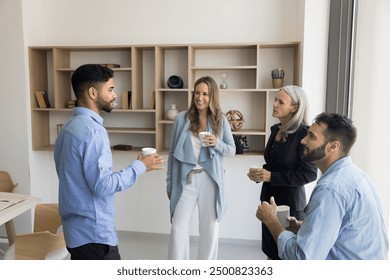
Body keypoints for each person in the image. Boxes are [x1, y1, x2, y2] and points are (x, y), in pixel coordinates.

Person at [54, 64, 165, 260]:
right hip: (94, 235)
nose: (115, 95)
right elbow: (103, 186)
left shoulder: (67, 128)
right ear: (93, 92)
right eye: (111, 89)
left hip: (75, 233)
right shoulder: (94, 132)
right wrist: (140, 166)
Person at [256, 112, 389, 259]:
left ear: (333, 146)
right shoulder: (359, 176)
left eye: (311, 137)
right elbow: (345, 233)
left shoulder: (331, 190)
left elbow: (301, 258)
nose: (303, 141)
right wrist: (303, 226)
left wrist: (271, 221)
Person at [166, 76, 235, 260]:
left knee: (209, 230)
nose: (200, 97)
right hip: (185, 179)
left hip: (210, 180)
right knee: (178, 228)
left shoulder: (221, 119)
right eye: (197, 93)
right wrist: (169, 183)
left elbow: (231, 150)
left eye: (205, 94)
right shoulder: (181, 118)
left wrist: (217, 143)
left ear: (212, 96)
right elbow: (173, 152)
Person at [247, 85, 317, 260]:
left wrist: (271, 176)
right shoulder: (275, 130)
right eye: (275, 100)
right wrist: (261, 174)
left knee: (284, 256)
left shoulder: (304, 134)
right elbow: (275, 165)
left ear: (295, 107)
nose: (275, 104)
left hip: (289, 206)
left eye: (281, 102)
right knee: (271, 253)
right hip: (269, 200)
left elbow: (310, 174)